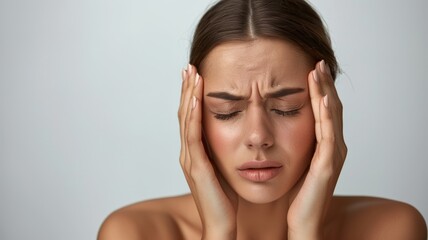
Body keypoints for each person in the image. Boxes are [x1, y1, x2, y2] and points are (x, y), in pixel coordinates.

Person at [97, 0, 427, 239]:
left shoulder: (391, 229)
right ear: (193, 116)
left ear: (327, 109)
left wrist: (305, 233)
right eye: (226, 112)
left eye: (286, 107)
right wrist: (219, 233)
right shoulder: (133, 232)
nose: (258, 136)